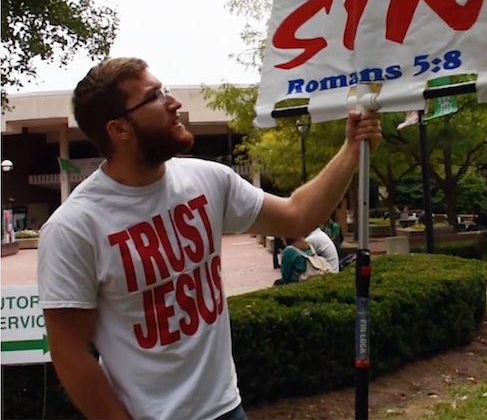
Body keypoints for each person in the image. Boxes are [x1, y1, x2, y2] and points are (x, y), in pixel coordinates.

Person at [37, 57, 382, 420]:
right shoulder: (73, 228)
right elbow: (70, 353)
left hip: (227, 408)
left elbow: (298, 215)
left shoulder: (208, 180)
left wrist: (351, 147)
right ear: (119, 130)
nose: (174, 103)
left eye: (165, 90)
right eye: (155, 96)